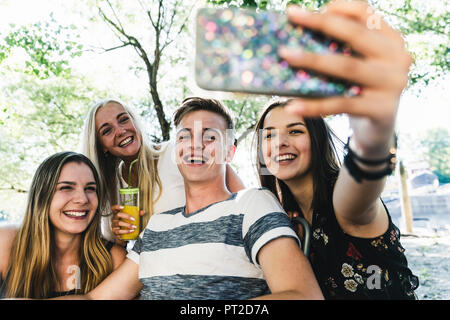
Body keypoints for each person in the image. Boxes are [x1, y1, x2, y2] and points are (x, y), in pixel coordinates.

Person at [48, 97, 323, 300]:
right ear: (176, 146)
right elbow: (94, 300)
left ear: (229, 153)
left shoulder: (252, 205)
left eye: (210, 136)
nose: (195, 145)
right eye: (185, 136)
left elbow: (303, 295)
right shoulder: (155, 226)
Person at [254, 2, 419, 299]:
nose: (279, 142)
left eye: (295, 131)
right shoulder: (279, 215)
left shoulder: (343, 202)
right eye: (269, 135)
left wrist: (374, 131)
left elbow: (365, 170)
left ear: (316, 140)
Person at [82, 98, 245, 246]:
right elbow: (122, 252)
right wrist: (120, 238)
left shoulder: (177, 151)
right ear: (101, 145)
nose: (120, 131)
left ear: (135, 122)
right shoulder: (111, 188)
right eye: (107, 131)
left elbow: (242, 200)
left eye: (124, 120)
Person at [0, 152, 126, 299]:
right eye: (66, 187)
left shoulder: (113, 259)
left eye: (90, 188)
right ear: (42, 196)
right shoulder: (5, 243)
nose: (82, 199)